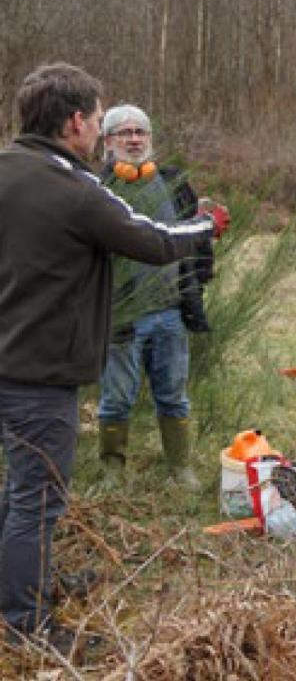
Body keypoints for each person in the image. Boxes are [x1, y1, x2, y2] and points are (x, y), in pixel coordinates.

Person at [0, 63, 226, 650]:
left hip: (9, 361)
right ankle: (25, 625)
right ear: (74, 121)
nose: (102, 132)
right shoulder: (73, 188)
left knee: (18, 492)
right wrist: (205, 226)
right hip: (40, 373)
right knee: (38, 501)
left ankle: (23, 587)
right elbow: (152, 239)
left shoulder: (6, 170)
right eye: (99, 120)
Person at [95, 104, 216, 490]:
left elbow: (195, 233)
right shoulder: (97, 189)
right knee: (116, 400)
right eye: (124, 133)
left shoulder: (173, 182)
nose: (133, 140)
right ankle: (113, 470)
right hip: (121, 316)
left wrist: (198, 278)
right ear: (108, 141)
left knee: (174, 396)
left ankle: (181, 469)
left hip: (171, 313)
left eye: (140, 132)